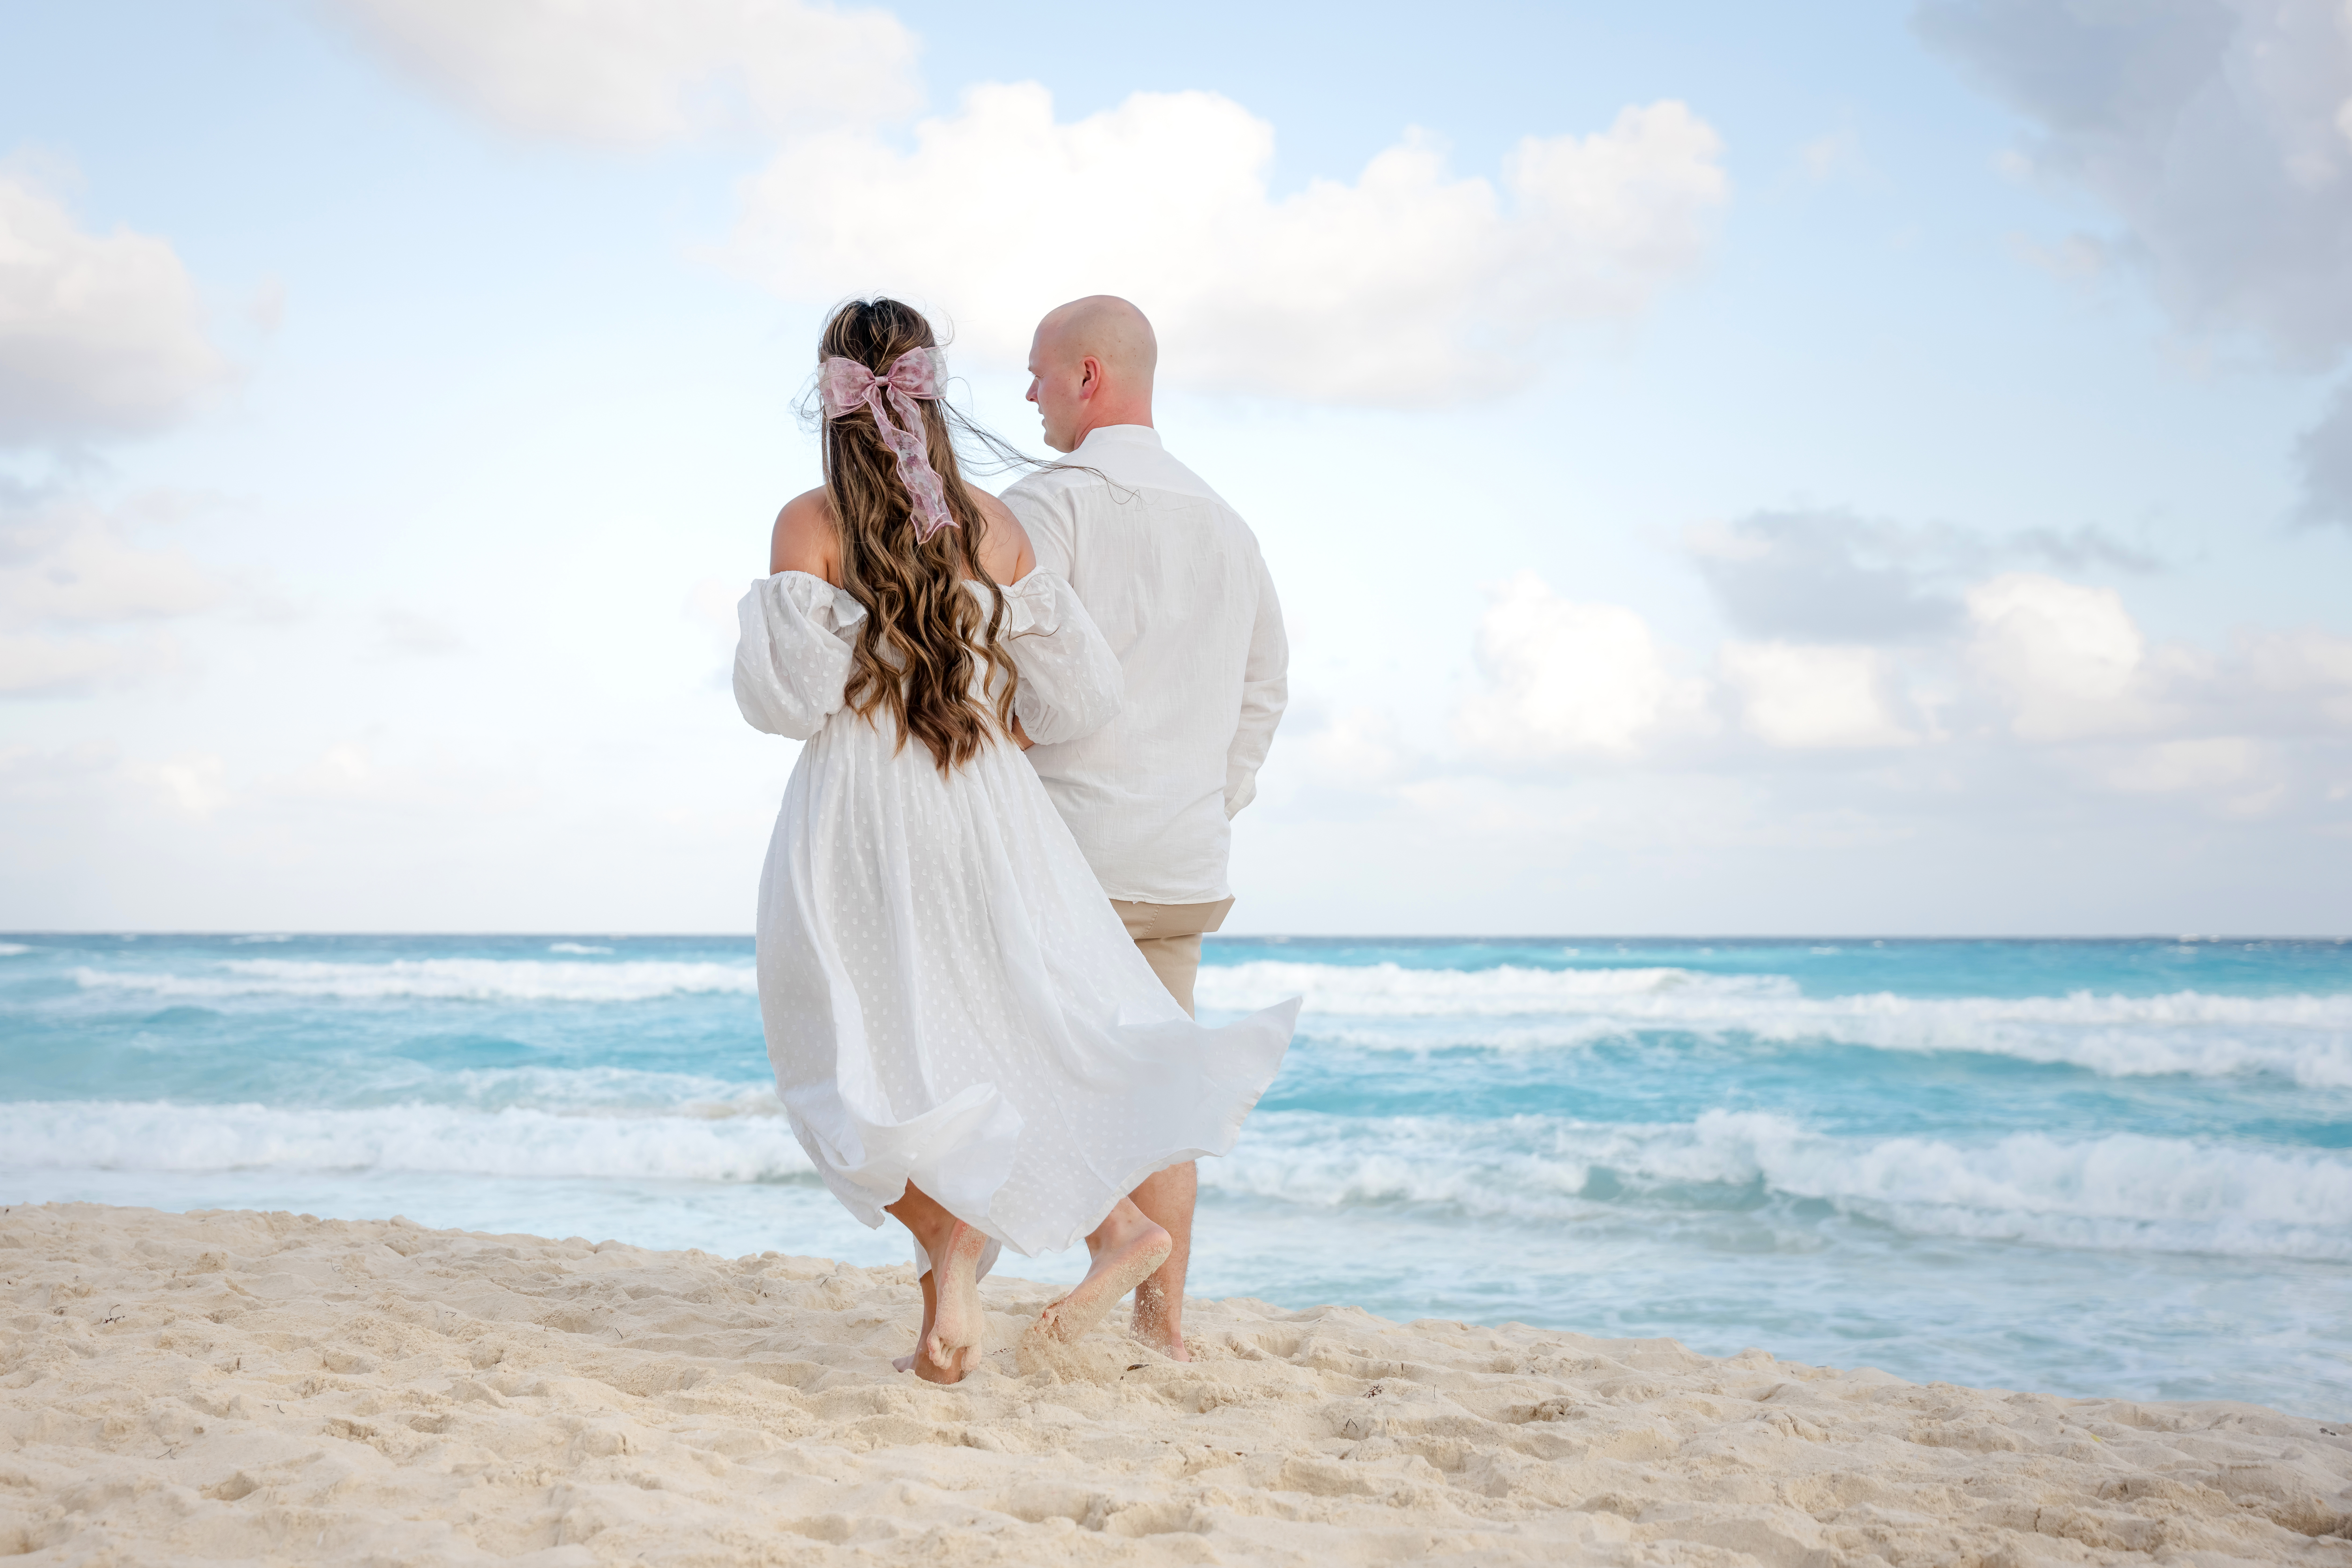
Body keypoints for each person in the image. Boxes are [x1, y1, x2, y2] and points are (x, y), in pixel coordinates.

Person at [732, 297, 1297, 1384]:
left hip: (866, 808)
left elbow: (789, 701)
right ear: (936, 392)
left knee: (847, 1058)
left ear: (832, 395)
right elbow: (1083, 696)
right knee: (997, 1041)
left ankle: (950, 1239)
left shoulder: (811, 523)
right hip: (983, 800)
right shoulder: (997, 523)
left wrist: (849, 643)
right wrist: (992, 702)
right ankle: (1092, 1244)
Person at [1000, 296, 1288, 1363]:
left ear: (1087, 376)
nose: (1026, 394)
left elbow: (1001, 661)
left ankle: (1111, 1239)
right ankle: (1163, 1330)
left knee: (1008, 1062)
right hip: (1179, 857)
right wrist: (1215, 801)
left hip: (1065, 847)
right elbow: (1266, 687)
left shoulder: (1046, 505)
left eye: (1036, 373)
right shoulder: (1226, 522)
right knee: (1162, 1085)